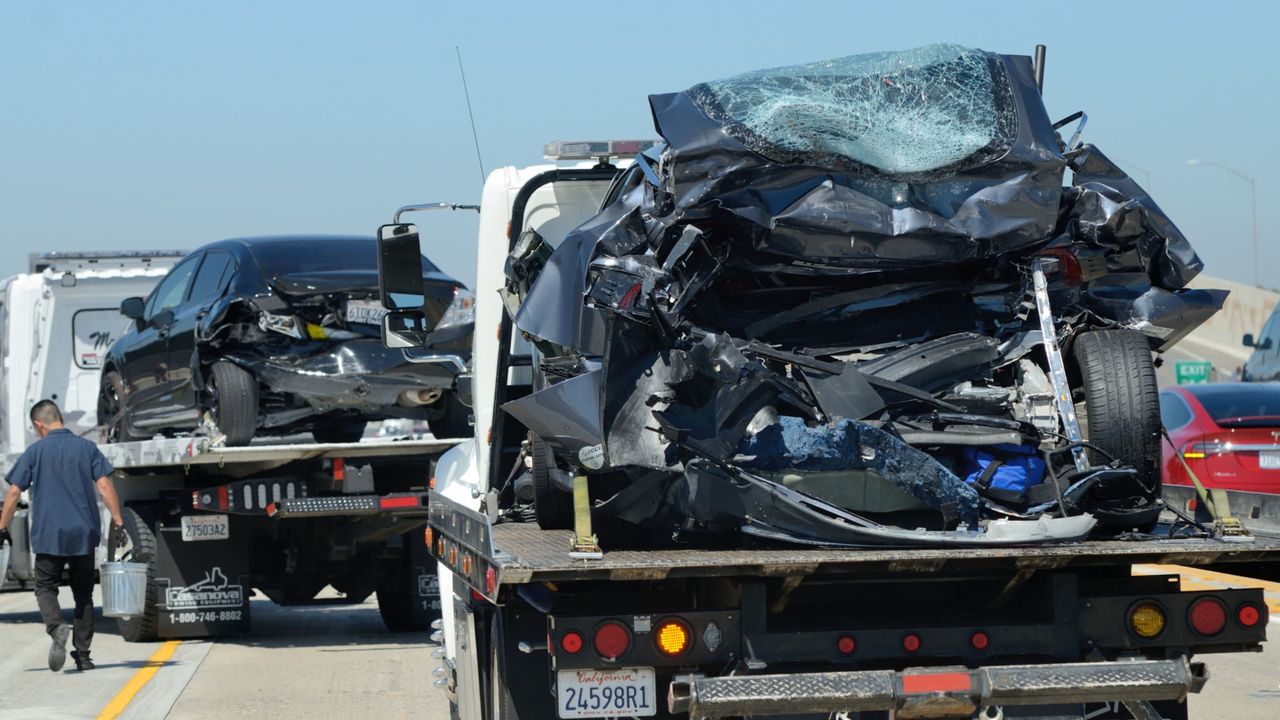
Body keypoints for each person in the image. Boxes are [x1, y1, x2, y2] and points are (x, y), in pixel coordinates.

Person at [0, 400, 123, 672]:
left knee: (45, 587)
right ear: (60, 419)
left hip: (50, 534)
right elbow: (104, 485)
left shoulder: (35, 452)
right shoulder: (87, 448)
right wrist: (118, 520)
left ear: (38, 425)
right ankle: (84, 656)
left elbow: (12, 493)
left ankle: (57, 628)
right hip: (83, 533)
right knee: (84, 595)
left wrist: (1, 526)